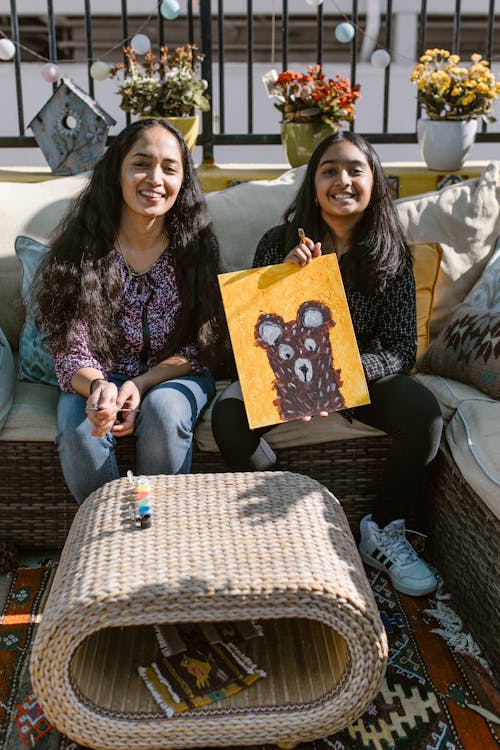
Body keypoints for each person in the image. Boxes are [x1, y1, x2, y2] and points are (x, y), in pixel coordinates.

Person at [212, 131, 443, 597]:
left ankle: (382, 529)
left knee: (423, 411)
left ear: (374, 181)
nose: (343, 180)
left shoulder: (390, 251)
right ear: (313, 184)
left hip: (357, 374)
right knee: (228, 417)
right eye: (329, 170)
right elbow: (257, 332)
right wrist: (286, 277)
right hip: (287, 370)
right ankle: (287, 515)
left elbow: (401, 348)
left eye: (355, 169)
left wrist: (344, 378)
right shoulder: (279, 241)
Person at [33, 118, 226, 504]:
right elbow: (72, 348)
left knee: (165, 413)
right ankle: (108, 540)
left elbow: (200, 344)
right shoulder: (80, 250)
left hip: (173, 373)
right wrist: (100, 389)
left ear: (182, 181)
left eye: (169, 168)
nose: (155, 178)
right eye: (141, 163)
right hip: (98, 373)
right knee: (80, 430)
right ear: (117, 172)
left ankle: (160, 533)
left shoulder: (195, 250)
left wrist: (141, 385)